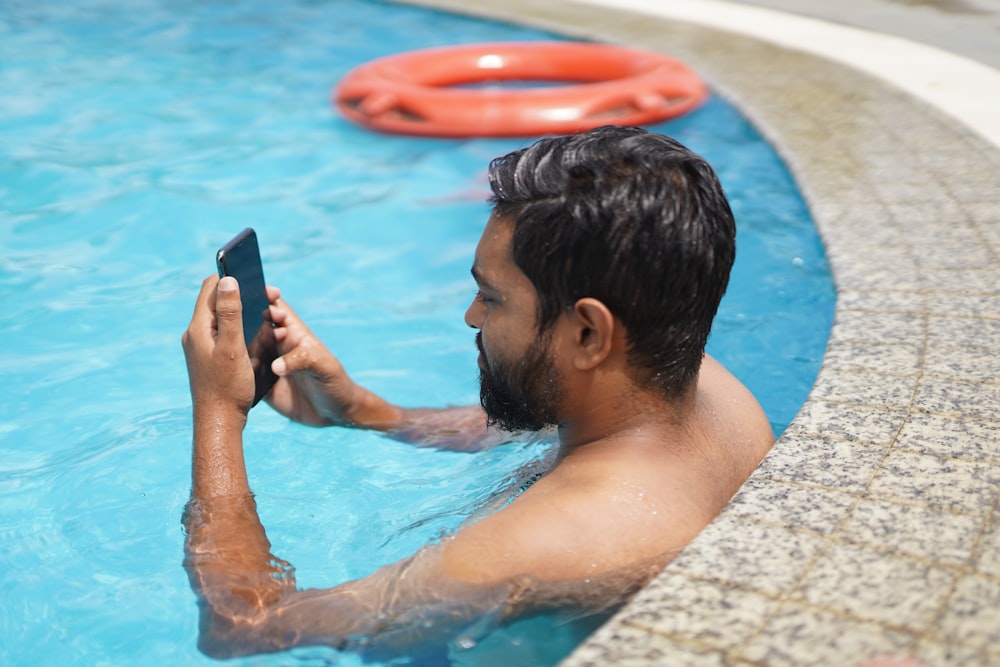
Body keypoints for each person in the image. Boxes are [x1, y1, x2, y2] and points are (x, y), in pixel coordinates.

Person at [181, 125, 774, 659]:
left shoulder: (530, 547)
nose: (471, 317)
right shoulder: (703, 385)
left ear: (589, 333)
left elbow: (245, 625)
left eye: (492, 298)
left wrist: (218, 411)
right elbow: (541, 413)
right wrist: (365, 411)